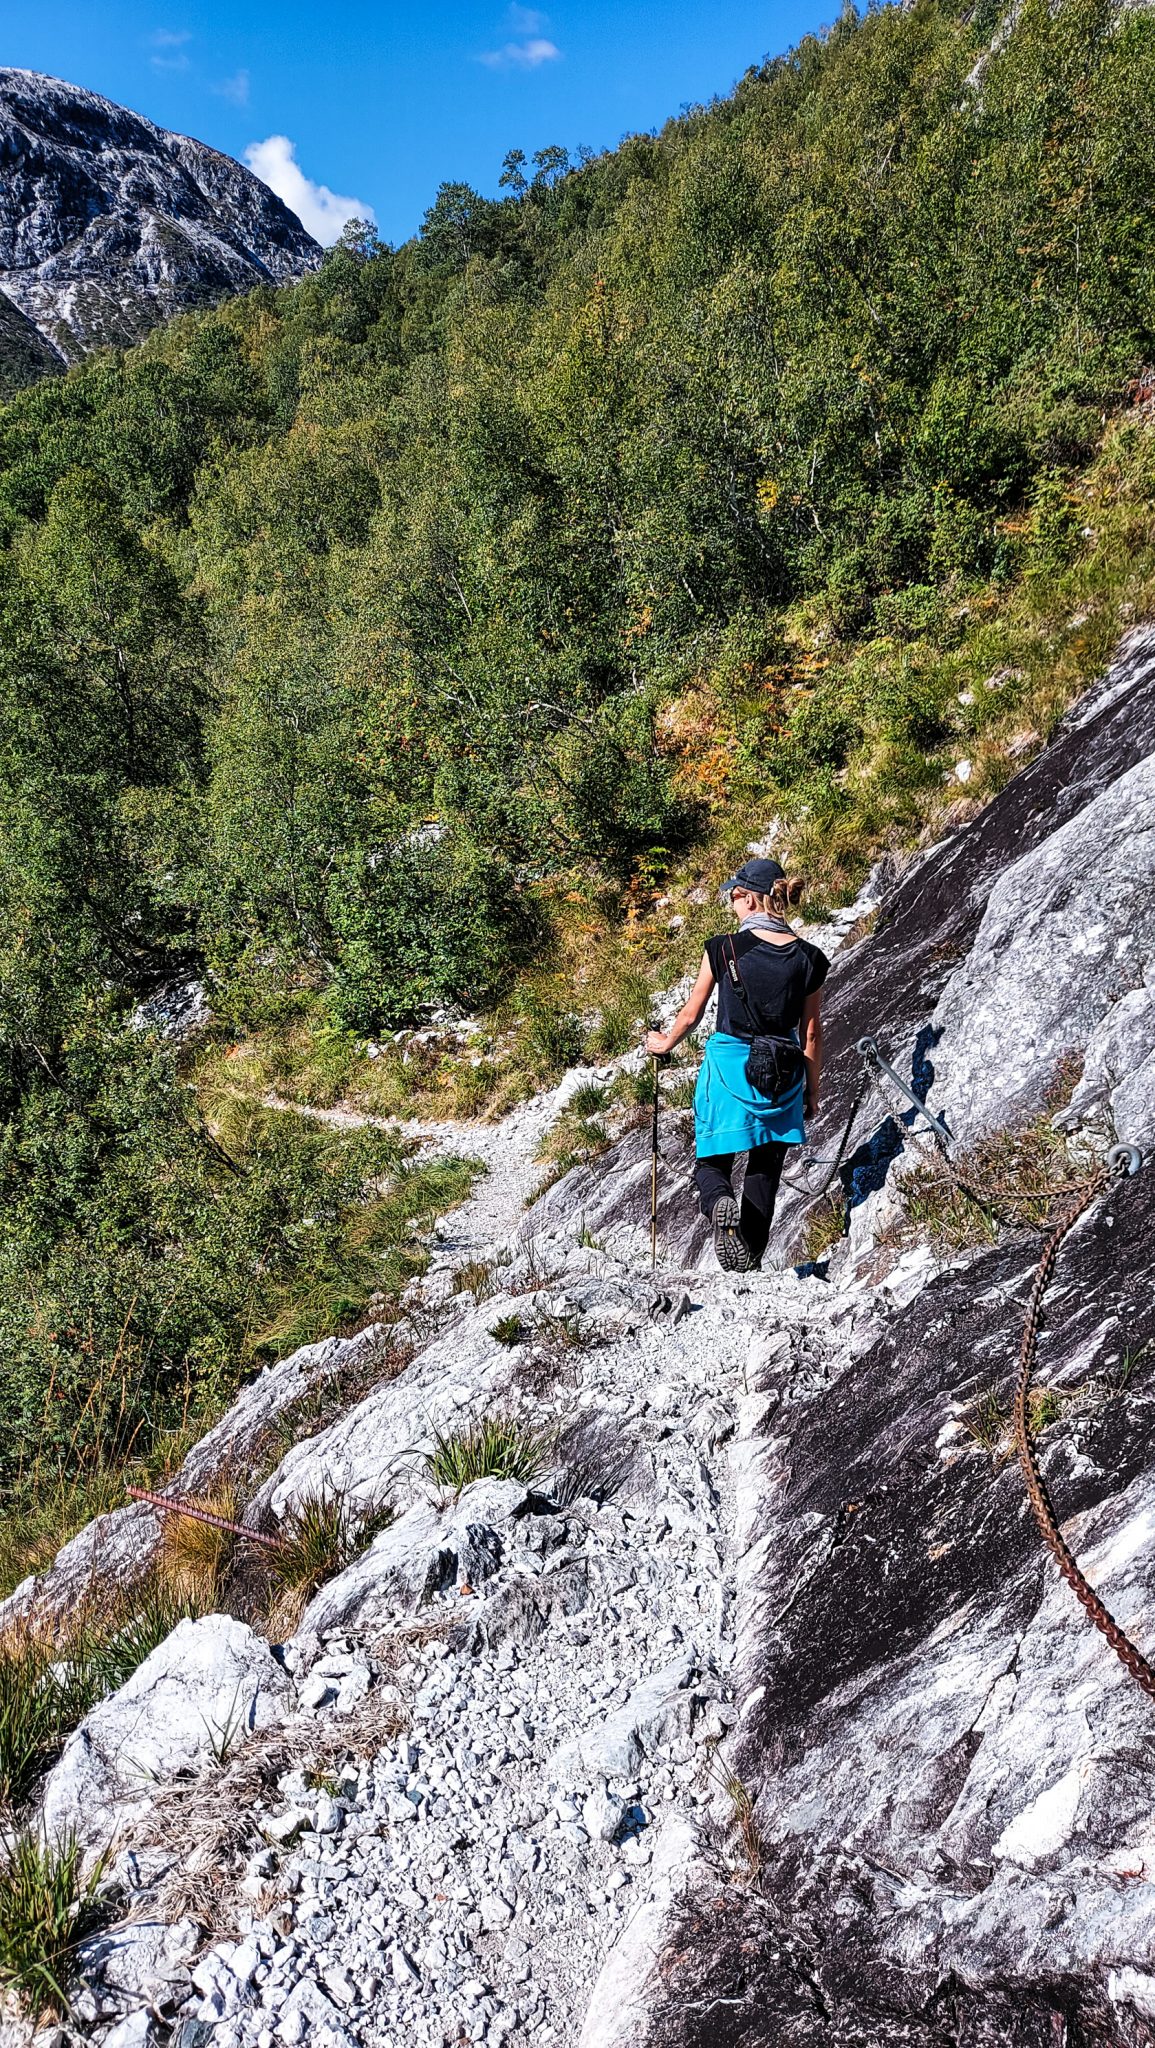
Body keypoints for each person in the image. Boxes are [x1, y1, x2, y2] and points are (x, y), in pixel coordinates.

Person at [644, 858, 828, 1272]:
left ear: (747, 898)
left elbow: (691, 1015)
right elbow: (812, 1034)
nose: (731, 901)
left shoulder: (722, 948)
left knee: (713, 1158)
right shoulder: (810, 959)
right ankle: (749, 1258)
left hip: (728, 1067)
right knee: (766, 1166)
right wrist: (812, 1091)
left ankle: (719, 1202)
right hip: (782, 1074)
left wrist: (663, 1043)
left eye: (733, 895)